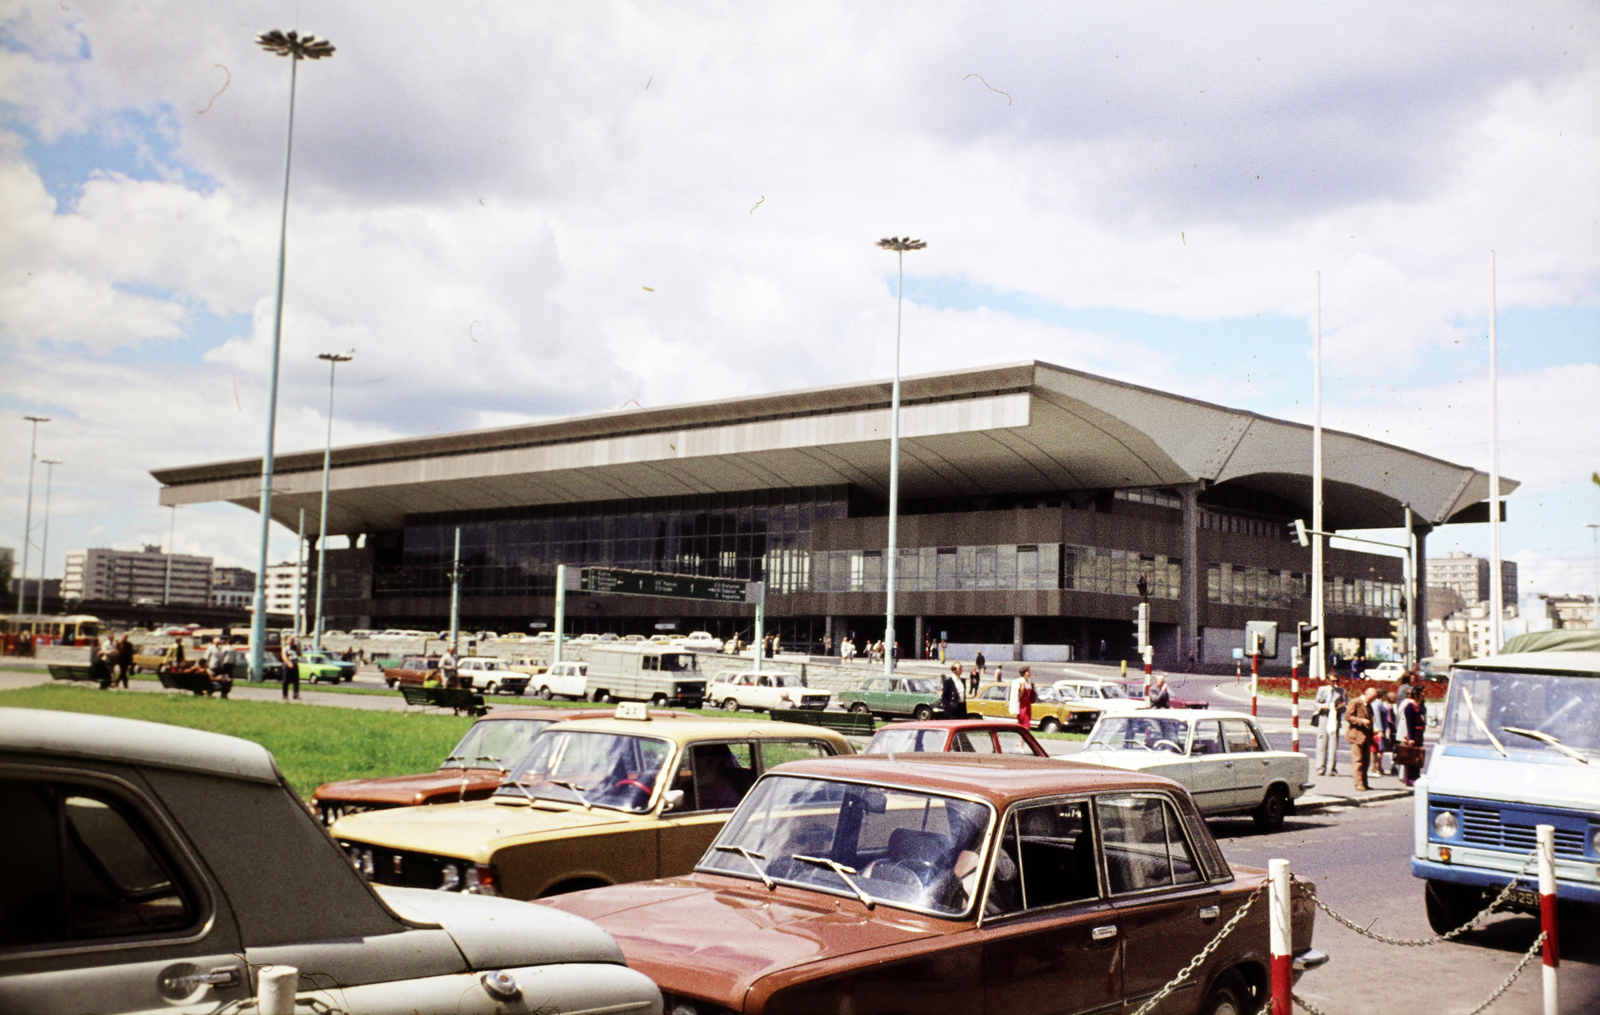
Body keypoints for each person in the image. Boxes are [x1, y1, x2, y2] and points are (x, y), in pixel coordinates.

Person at [1345, 687, 1379, 791]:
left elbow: (1371, 719)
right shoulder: (1355, 702)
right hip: (1356, 736)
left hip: (1366, 737)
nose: (1372, 700)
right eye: (1371, 698)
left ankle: (1364, 782)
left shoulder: (1369, 705)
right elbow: (1348, 717)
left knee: (1366, 761)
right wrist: (1361, 721)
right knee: (1358, 761)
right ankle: (1358, 783)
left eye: (1374, 699)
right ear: (1366, 694)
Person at [1314, 675, 1346, 775]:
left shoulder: (1342, 691)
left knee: (1333, 744)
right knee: (1321, 742)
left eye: (1337, 681)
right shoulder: (1322, 689)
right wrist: (1321, 706)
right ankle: (1320, 767)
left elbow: (1345, 706)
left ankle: (1331, 768)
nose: (1335, 683)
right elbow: (1315, 702)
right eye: (1333, 681)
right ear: (1328, 681)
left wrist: (1339, 708)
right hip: (1324, 718)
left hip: (1334, 719)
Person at [1400, 690, 1427, 786]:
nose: (1423, 698)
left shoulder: (1417, 705)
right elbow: (1409, 723)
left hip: (1418, 734)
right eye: (1421, 696)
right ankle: (1409, 778)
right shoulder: (1410, 706)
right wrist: (1411, 737)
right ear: (1416, 695)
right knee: (1411, 757)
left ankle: (1415, 776)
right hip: (1414, 734)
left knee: (1417, 757)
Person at [1374, 691, 1397, 775]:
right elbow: (1389, 719)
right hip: (1386, 729)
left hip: (1385, 729)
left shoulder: (1384, 705)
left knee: (1381, 749)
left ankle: (1378, 766)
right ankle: (1378, 766)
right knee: (1381, 749)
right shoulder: (1387, 707)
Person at [280, 635, 301, 700]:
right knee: (286, 681)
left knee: (296, 681)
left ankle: (295, 694)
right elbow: (284, 656)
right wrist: (289, 663)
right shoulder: (286, 648)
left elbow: (300, 654)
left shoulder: (296, 648)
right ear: (287, 641)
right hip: (288, 665)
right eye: (290, 640)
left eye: (292, 640)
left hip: (295, 664)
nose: (291, 641)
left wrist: (299, 644)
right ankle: (285, 695)